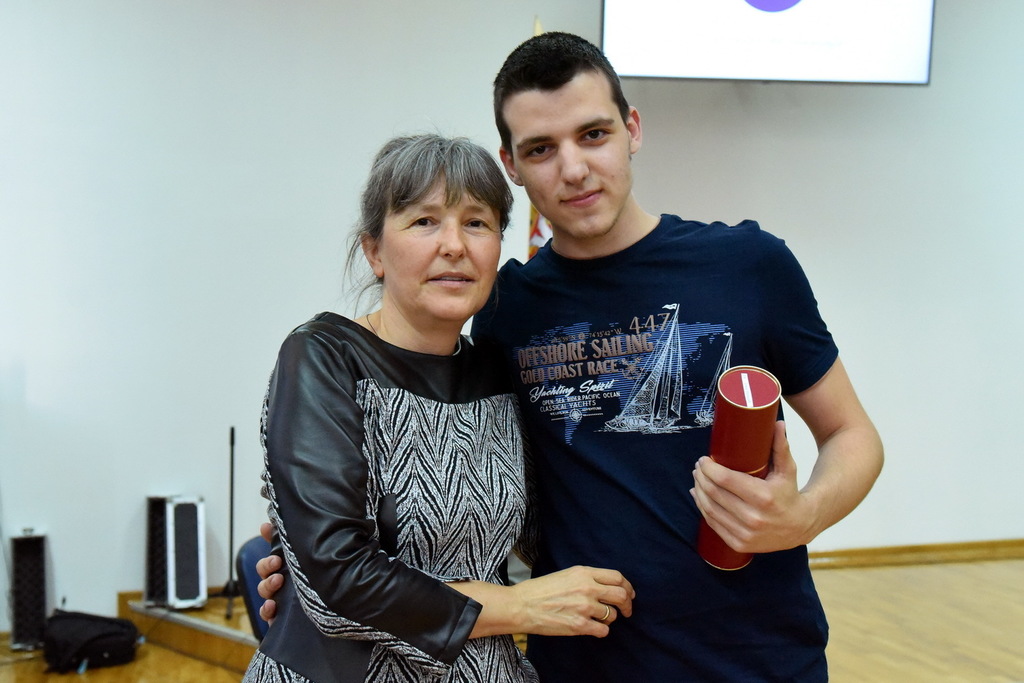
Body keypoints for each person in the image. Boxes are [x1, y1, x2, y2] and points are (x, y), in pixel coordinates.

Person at [260, 33, 884, 681]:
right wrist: (309, 547)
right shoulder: (504, 311)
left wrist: (803, 515)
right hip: (581, 660)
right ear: (511, 164)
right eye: (541, 148)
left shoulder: (751, 266)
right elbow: (450, 482)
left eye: (593, 135)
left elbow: (852, 434)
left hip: (757, 660)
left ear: (632, 128)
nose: (574, 168)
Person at [242, 133, 634, 683]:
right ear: (375, 251)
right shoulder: (324, 356)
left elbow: (552, 527)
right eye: (424, 221)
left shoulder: (497, 369)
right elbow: (337, 585)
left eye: (476, 223)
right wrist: (519, 606)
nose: (454, 245)